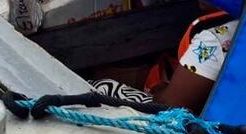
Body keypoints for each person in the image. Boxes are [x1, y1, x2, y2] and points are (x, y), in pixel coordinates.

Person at [90, 6, 233, 115]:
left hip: (196, 124)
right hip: (225, 111)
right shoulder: (241, 25)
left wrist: (157, 89)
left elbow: (170, 105)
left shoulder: (215, 39)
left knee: (101, 86)